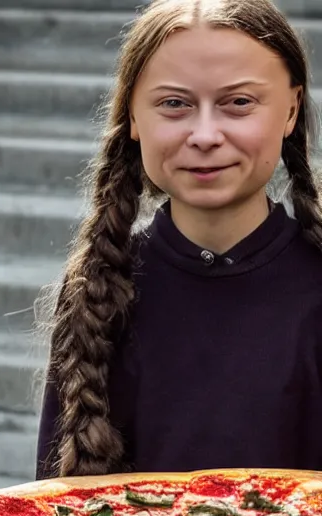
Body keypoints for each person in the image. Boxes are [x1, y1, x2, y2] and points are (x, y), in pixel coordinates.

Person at [35, 0, 322, 480]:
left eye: (238, 103)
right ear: (132, 115)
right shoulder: (100, 286)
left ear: (291, 109)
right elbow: (52, 513)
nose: (205, 135)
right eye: (174, 104)